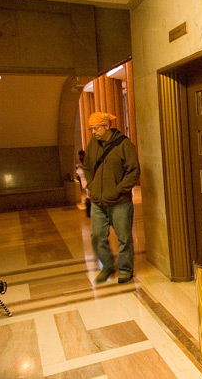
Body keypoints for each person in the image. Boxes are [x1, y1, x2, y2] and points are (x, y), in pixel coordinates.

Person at [82, 112, 140, 284]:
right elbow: (87, 167)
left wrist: (118, 190)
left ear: (107, 126)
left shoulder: (124, 144)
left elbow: (134, 171)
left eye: (96, 128)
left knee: (124, 238)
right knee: (96, 236)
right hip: (98, 202)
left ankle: (125, 269)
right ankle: (107, 266)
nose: (93, 132)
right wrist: (91, 186)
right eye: (91, 129)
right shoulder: (93, 144)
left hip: (119, 202)